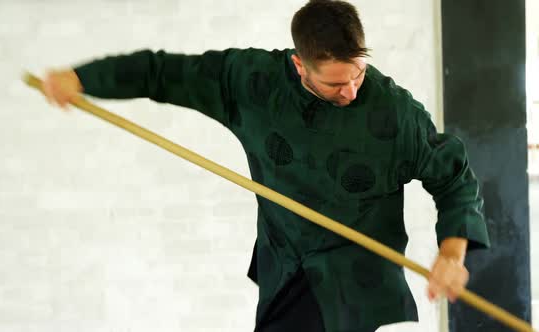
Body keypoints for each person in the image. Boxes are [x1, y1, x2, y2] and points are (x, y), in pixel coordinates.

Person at [41, 1, 490, 331]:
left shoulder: (394, 114)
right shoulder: (253, 85)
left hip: (356, 280)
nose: (352, 90)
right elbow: (164, 73)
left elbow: (452, 179)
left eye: (358, 73)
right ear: (299, 65)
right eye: (335, 83)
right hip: (285, 266)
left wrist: (452, 254)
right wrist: (83, 79)